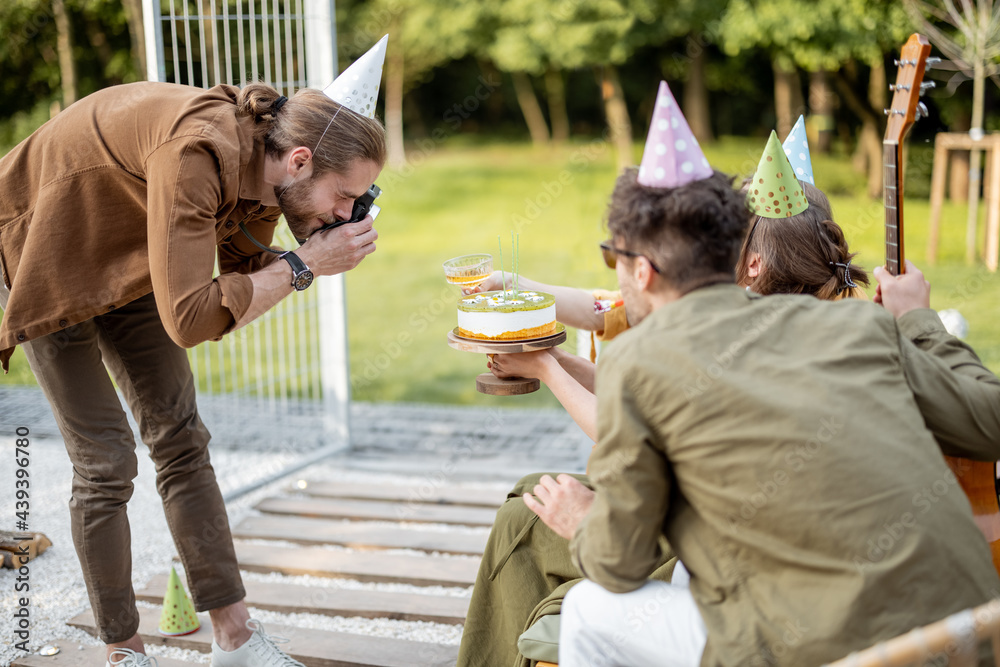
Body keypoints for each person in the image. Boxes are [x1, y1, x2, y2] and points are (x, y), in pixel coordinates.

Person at [0, 37, 389, 667]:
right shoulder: (199, 152)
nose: (349, 213)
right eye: (345, 198)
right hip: (48, 249)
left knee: (180, 437)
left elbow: (241, 269)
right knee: (105, 462)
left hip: (134, 255)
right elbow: (190, 316)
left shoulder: (268, 181)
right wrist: (303, 266)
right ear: (298, 161)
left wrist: (304, 260)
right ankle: (123, 653)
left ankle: (234, 639)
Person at [527, 161, 1000, 665]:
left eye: (611, 257)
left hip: (826, 653)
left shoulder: (638, 360)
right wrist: (918, 322)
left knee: (585, 609)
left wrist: (582, 522)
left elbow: (623, 563)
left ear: (640, 270)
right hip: (971, 633)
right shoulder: (859, 322)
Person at [456, 114, 872, 667]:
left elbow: (634, 434)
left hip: (713, 553)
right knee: (527, 506)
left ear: (749, 263)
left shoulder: (747, 340)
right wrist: (545, 349)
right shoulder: (747, 313)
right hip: (700, 520)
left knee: (536, 528)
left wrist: (552, 370)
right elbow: (612, 324)